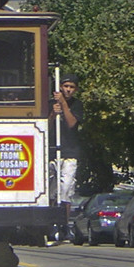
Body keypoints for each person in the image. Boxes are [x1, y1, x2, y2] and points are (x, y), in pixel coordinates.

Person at [52, 74, 83, 206]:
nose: (68, 89)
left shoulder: (77, 105)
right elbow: (45, 127)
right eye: (66, 86)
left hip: (70, 153)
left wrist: (64, 104)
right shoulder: (50, 103)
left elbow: (72, 124)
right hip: (52, 152)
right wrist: (53, 113)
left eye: (72, 87)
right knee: (50, 189)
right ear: (60, 87)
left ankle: (64, 220)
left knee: (66, 190)